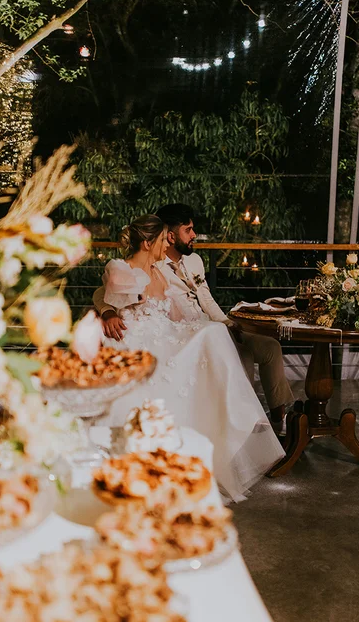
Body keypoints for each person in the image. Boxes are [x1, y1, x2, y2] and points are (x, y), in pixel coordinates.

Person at [94, 214, 284, 502]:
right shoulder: (121, 268)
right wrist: (108, 311)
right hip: (138, 338)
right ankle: (240, 418)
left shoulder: (161, 271)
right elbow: (109, 295)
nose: (165, 245)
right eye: (160, 240)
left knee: (213, 334)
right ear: (147, 242)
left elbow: (177, 314)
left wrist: (205, 325)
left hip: (166, 332)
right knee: (211, 337)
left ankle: (238, 420)